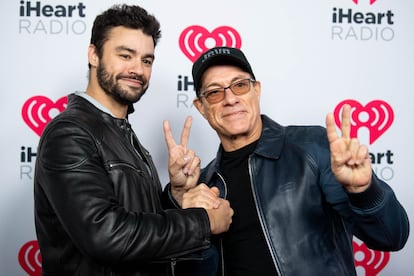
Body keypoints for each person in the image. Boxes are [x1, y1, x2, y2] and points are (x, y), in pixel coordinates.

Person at [165, 46, 410, 275]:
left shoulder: (314, 147)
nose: (230, 99)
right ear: (201, 107)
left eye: (240, 85)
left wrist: (363, 191)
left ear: (256, 90)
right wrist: (190, 220)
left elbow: (392, 237)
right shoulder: (204, 185)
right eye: (215, 92)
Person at [34, 5, 233, 276]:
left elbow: (139, 223)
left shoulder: (124, 135)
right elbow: (106, 234)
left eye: (147, 60)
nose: (137, 69)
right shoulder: (70, 133)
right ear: (94, 55)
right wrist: (203, 222)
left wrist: (175, 194)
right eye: (125, 55)